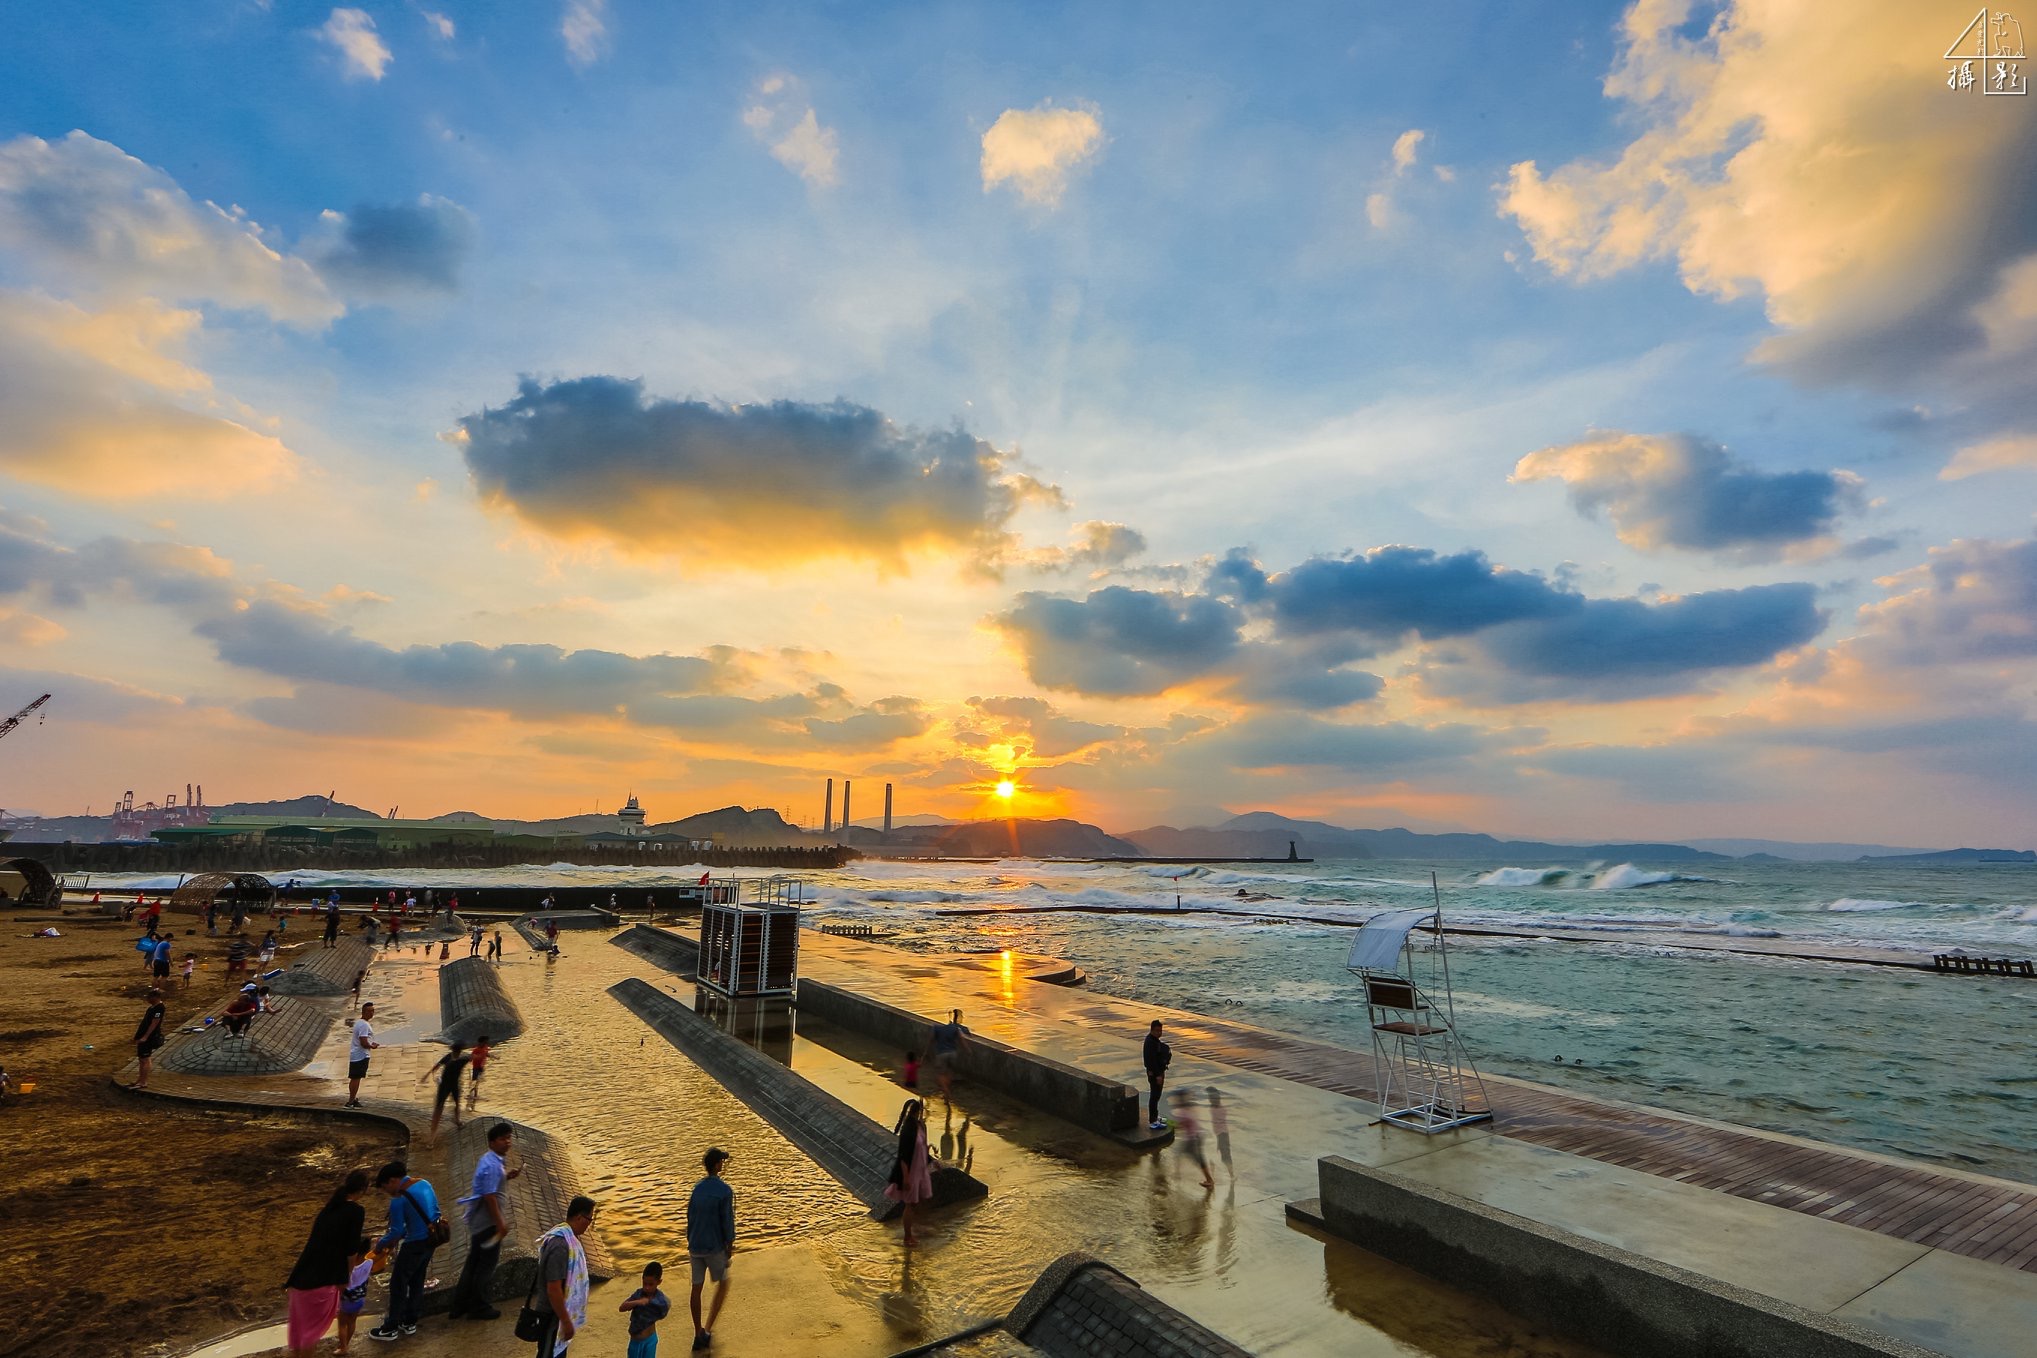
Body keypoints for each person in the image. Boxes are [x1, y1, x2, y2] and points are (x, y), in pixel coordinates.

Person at [284, 1168, 371, 1358]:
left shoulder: (329, 1208)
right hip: (321, 1282)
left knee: (299, 1332)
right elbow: (351, 1250)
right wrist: (346, 1277)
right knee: (309, 1334)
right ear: (363, 1190)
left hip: (299, 1278)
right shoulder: (356, 1211)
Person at [449, 1121, 519, 1319]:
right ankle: (479, 1307)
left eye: (509, 1138)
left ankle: (459, 1305)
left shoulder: (491, 1160)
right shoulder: (492, 1166)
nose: (507, 1142)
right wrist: (500, 1223)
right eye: (503, 1139)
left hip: (479, 1223)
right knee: (486, 1266)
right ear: (492, 1142)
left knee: (473, 1263)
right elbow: (489, 1197)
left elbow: (492, 1188)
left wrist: (507, 1177)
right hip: (487, 1224)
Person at [367, 1160, 442, 1342]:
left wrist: (380, 1245)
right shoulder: (424, 1184)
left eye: (385, 1187)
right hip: (431, 1240)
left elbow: (397, 1231)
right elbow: (435, 1212)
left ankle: (390, 1327)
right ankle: (410, 1321)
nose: (387, 1192)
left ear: (392, 1180)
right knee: (417, 1280)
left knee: (398, 1285)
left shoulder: (399, 1201)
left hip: (413, 1244)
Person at [530, 1195, 596, 1356]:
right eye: (590, 1219)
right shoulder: (560, 1246)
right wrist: (566, 1321)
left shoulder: (564, 1238)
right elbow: (554, 1289)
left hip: (558, 1315)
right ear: (580, 1217)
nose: (589, 1225)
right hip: (552, 1317)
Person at [686, 1149, 734, 1351]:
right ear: (716, 1166)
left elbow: (690, 1216)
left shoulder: (697, 1189)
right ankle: (707, 1328)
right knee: (723, 1283)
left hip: (695, 1245)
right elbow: (727, 1222)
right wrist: (729, 1247)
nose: (723, 1164)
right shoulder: (724, 1191)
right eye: (721, 1162)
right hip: (713, 1247)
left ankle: (697, 1332)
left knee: (696, 1288)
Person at [884, 1099, 934, 1247]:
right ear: (917, 1112)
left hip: (918, 1170)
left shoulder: (918, 1126)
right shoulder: (908, 1130)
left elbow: (922, 1148)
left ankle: (913, 1229)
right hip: (910, 1172)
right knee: (910, 1204)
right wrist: (906, 1178)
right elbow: (903, 1156)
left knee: (916, 1202)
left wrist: (932, 1162)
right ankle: (907, 1237)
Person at [336, 1235, 382, 1355]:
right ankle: (346, 1342)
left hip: (346, 1299)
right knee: (352, 1322)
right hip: (360, 1299)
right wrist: (381, 1245)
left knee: (342, 1324)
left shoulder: (347, 1266)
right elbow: (383, 1254)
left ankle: (343, 1347)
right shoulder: (369, 1263)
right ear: (367, 1250)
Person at [419, 1043, 470, 1142]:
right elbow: (437, 1066)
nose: (456, 1053)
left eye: (457, 1051)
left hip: (454, 1084)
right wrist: (427, 1074)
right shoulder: (449, 1058)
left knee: (457, 1103)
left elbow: (474, 1056)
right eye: (456, 1051)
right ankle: (432, 1136)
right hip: (445, 1086)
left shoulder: (463, 1059)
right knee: (439, 1107)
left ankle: (457, 1120)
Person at [619, 1261, 670, 1358]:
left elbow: (664, 1310)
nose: (647, 1287)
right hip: (635, 1341)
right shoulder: (638, 1294)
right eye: (645, 1283)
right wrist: (637, 1302)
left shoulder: (660, 1300)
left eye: (651, 1284)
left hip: (650, 1340)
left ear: (659, 1282)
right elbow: (622, 1307)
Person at [1172, 1090, 1214, 1188]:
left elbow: (1180, 1126)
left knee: (1182, 1155)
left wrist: (1172, 1125)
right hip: (1198, 1136)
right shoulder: (1189, 1108)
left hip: (1191, 1140)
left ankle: (1209, 1180)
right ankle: (1177, 1173)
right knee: (1194, 1157)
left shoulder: (1182, 1113)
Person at [132, 987, 167, 1089]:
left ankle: (143, 1082)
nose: (148, 999)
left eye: (149, 997)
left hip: (148, 1038)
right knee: (141, 1059)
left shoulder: (159, 1008)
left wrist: (145, 1037)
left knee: (145, 1059)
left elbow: (154, 1023)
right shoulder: (151, 1008)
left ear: (156, 997)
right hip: (142, 1036)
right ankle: (140, 1079)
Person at [928, 1009, 968, 1098]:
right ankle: (947, 1088)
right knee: (950, 1071)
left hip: (941, 1053)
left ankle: (946, 1090)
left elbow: (931, 1040)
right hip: (953, 1053)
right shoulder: (957, 1028)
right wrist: (967, 1050)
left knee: (940, 1074)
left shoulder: (936, 1027)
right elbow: (962, 1040)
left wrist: (926, 1052)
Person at [346, 1003, 379, 1108]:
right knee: (356, 1078)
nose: (371, 1013)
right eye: (369, 1011)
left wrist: (370, 1044)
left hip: (357, 1054)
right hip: (360, 1055)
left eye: (373, 1011)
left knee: (356, 1077)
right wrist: (371, 1046)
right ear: (363, 1012)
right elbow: (363, 1042)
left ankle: (353, 1098)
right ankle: (350, 1101)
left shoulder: (360, 1023)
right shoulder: (364, 1025)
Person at [1143, 1020, 1171, 1131]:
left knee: (1157, 1095)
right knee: (1154, 1096)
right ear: (1152, 1030)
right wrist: (1157, 1075)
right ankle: (1153, 1121)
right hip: (1155, 1074)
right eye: (1157, 1031)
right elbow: (1151, 1061)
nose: (1159, 1033)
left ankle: (1155, 1116)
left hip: (1157, 1072)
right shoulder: (1150, 1042)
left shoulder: (1154, 1041)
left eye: (1160, 1031)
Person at [1208, 1086, 1232, 1174]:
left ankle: (1231, 1175)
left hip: (1222, 1135)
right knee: (1213, 1157)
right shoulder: (1214, 1108)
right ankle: (1212, 1177)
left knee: (1225, 1157)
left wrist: (1219, 1141)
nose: (1210, 1100)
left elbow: (1219, 1124)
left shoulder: (1220, 1109)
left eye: (1211, 1098)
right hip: (1218, 1134)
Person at [468, 1035, 491, 1108]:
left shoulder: (485, 1047)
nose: (485, 1044)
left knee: (477, 1082)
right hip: (476, 1067)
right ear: (480, 1043)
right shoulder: (476, 1049)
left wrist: (493, 1056)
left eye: (486, 1042)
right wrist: (475, 1057)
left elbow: (486, 1054)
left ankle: (475, 1095)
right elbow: (471, 1058)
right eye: (484, 1042)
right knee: (474, 1081)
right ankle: (471, 1094)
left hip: (481, 1067)